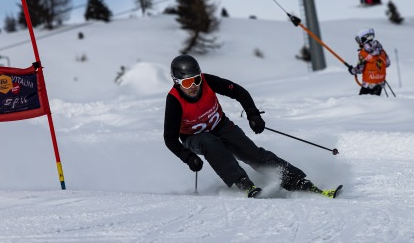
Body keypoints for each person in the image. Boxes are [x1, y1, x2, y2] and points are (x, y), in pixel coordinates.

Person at [163, 54, 331, 198]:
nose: (193, 86)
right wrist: (188, 157)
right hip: (194, 138)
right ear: (177, 83)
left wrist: (253, 114)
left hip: (220, 126)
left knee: (253, 154)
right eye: (186, 83)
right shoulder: (174, 101)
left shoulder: (208, 82)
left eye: (196, 79)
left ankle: (297, 181)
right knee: (209, 142)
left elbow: (238, 91)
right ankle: (242, 182)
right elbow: (169, 138)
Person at [349, 28, 390, 95]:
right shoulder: (381, 50)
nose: (359, 43)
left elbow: (359, 70)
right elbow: (387, 63)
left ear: (364, 39)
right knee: (374, 102)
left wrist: (352, 70)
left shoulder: (363, 53)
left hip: (368, 84)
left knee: (362, 104)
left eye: (359, 40)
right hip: (380, 83)